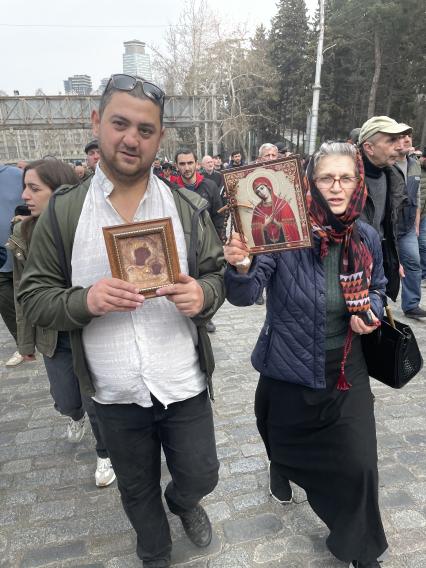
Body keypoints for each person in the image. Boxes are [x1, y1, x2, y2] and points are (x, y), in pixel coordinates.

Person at [18, 73, 225, 568]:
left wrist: (202, 294)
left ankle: (184, 500)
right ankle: (154, 551)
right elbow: (33, 296)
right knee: (135, 488)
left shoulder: (186, 206)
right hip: (112, 390)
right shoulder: (65, 214)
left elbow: (215, 276)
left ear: (159, 138)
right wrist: (86, 301)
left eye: (146, 129)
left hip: (182, 379)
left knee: (203, 473)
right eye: (120, 123)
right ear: (97, 123)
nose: (131, 138)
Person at [224, 142, 388, 568]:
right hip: (290, 367)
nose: (337, 188)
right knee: (282, 443)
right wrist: (240, 265)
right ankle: (282, 467)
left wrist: (369, 310)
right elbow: (245, 294)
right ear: (309, 182)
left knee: (360, 465)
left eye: (346, 178)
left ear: (357, 182)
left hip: (346, 371)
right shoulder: (285, 233)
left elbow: (379, 286)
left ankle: (362, 550)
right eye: (326, 178)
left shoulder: (367, 235)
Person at [7, 159, 115, 488]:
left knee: (95, 399)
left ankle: (104, 452)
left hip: (90, 332)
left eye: (35, 188)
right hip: (54, 338)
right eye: (24, 187)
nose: (25, 195)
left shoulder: (88, 228)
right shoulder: (21, 233)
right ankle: (74, 416)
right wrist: (25, 345)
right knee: (67, 400)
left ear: (60, 193)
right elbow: (21, 294)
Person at [358, 115, 409, 301]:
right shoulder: (344, 176)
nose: (400, 146)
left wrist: (393, 260)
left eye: (399, 139)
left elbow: (389, 227)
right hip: (349, 265)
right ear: (369, 148)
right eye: (391, 140)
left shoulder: (393, 176)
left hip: (379, 261)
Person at [394, 126, 425, 318]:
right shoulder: (387, 165)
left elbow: (418, 195)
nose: (407, 140)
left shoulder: (414, 164)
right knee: (383, 265)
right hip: (387, 225)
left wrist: (417, 221)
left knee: (413, 261)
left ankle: (411, 304)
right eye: (402, 136)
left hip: (407, 226)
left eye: (409, 136)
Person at [0, 162, 26, 367]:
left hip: (22, 251)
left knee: (31, 296)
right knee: (6, 304)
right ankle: (22, 345)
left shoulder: (17, 175)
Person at [251, 177, 301, 246]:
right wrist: (265, 224)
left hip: (286, 247)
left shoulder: (283, 204)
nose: (261, 192)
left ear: (268, 186)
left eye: (262, 188)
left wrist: (277, 223)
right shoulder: (257, 209)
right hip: (267, 250)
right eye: (258, 192)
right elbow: (254, 232)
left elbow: (292, 227)